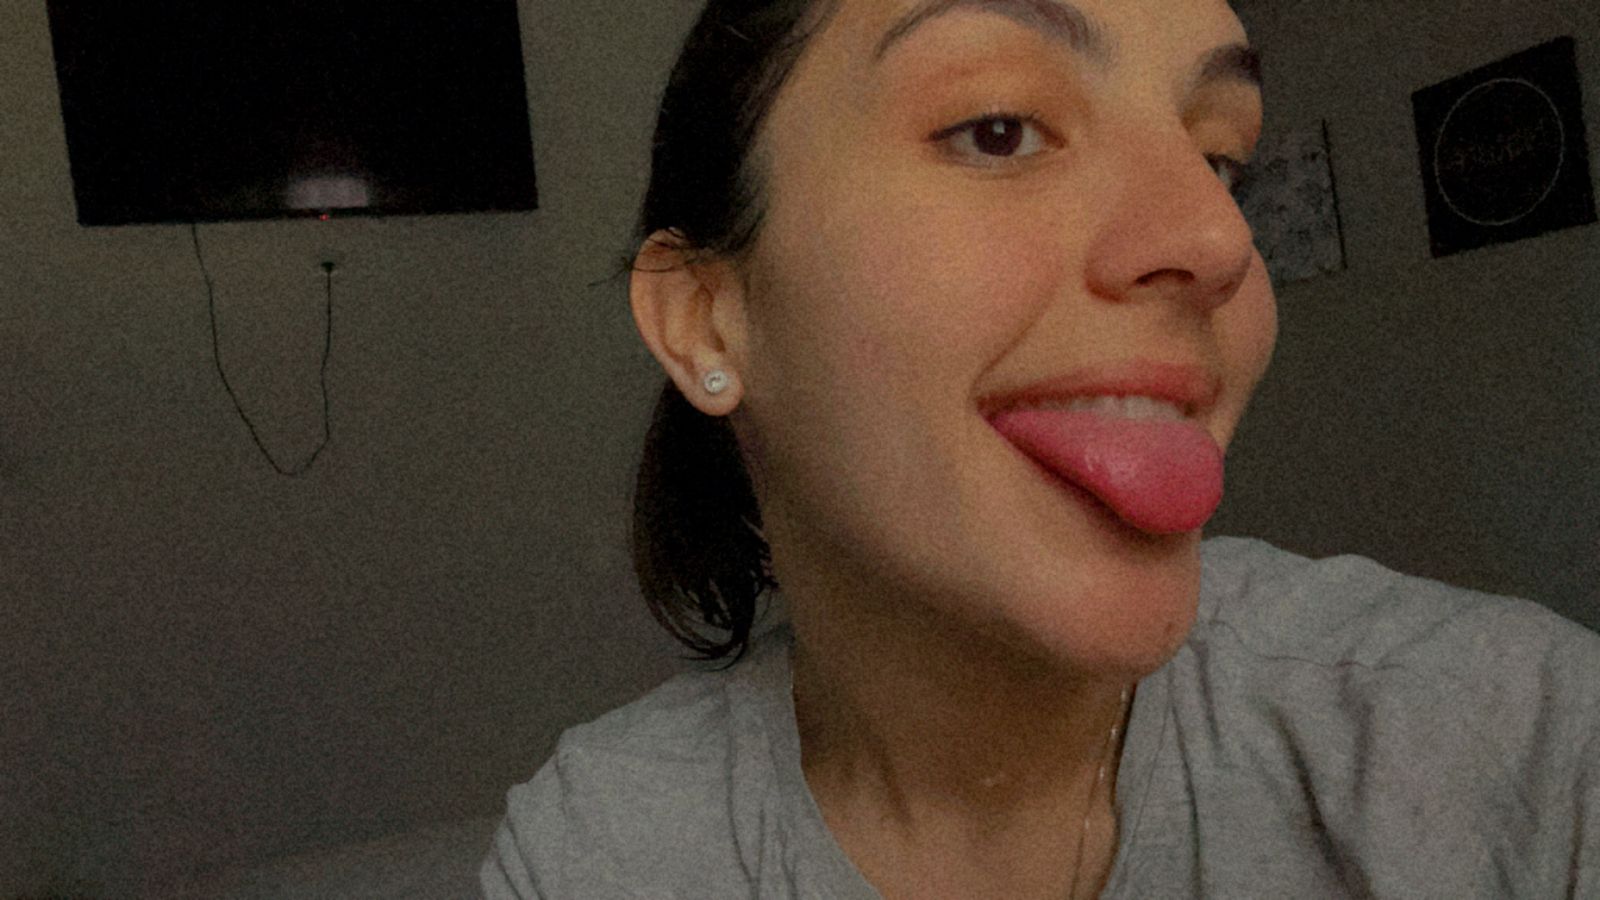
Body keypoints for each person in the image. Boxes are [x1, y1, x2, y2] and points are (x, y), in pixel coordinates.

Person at [481, 0, 1600, 896]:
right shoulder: (604, 848)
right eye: (999, 129)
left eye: (1221, 160)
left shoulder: (1520, 742)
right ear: (707, 322)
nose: (1219, 239)